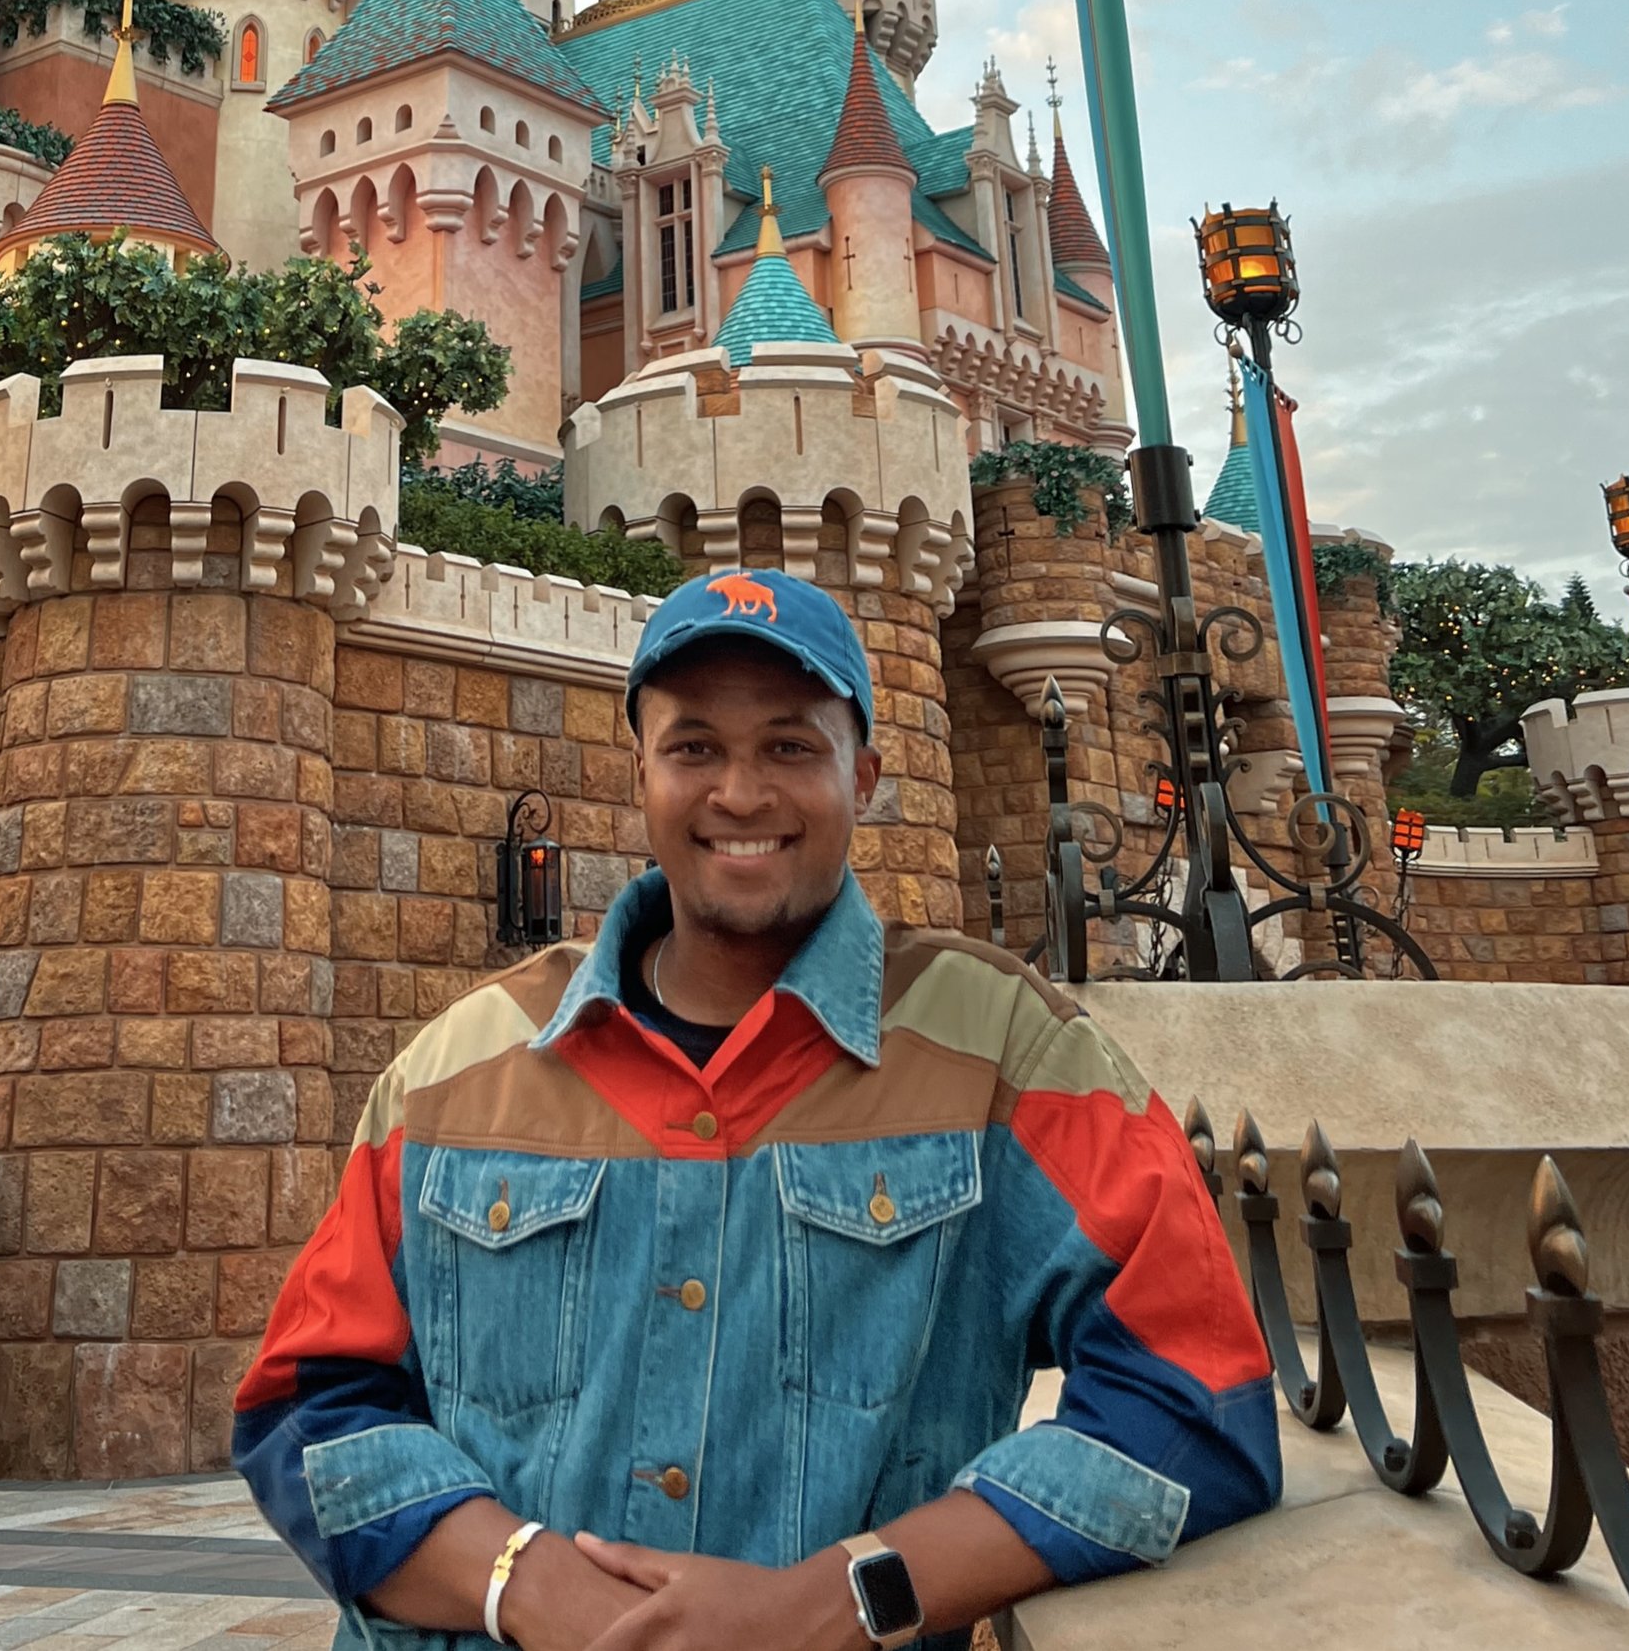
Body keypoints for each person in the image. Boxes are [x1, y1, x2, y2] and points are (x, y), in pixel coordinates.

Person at [236, 568, 1280, 1649]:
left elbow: (1197, 1402)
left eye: (789, 745)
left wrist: (835, 1600)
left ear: (863, 775)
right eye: (694, 748)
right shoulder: (462, 1064)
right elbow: (304, 1408)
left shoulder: (1006, 1055)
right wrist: (527, 1583)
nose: (739, 793)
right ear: (638, 773)